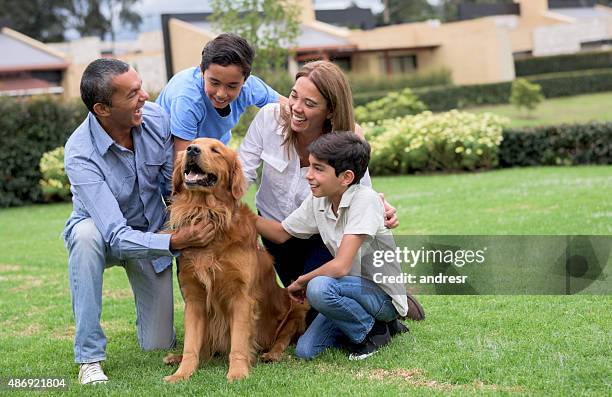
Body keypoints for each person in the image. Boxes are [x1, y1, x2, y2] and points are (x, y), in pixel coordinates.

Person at [237, 61, 427, 323]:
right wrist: (230, 210)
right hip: (276, 229)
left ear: (330, 110)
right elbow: (241, 173)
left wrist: (381, 208)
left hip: (322, 235)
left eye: (310, 104)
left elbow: (359, 190)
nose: (296, 108)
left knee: (316, 301)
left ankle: (388, 306)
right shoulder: (269, 119)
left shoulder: (346, 138)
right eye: (294, 96)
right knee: (299, 308)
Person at [63, 58, 214, 385]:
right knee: (85, 237)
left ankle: (158, 328)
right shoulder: (80, 153)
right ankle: (89, 359)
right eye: (132, 94)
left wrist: (210, 222)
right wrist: (176, 241)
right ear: (103, 108)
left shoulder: (155, 119)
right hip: (105, 236)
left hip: (152, 235)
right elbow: (115, 234)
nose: (145, 96)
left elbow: (171, 187)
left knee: (158, 344)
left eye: (141, 86)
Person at [255, 132, 409, 360]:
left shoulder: (365, 200)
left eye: (318, 169)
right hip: (346, 292)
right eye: (310, 166)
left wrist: (301, 281)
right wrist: (237, 214)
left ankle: (374, 333)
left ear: (346, 177)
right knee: (306, 351)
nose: (308, 175)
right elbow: (280, 233)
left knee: (318, 287)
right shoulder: (319, 199)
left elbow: (340, 267)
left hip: (380, 295)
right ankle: (379, 325)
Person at [156, 33, 282, 157]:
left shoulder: (250, 87)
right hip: (167, 158)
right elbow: (181, 162)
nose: (221, 94)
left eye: (232, 86)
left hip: (210, 154)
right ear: (202, 70)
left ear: (245, 80)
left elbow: (291, 108)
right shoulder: (187, 99)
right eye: (214, 83)